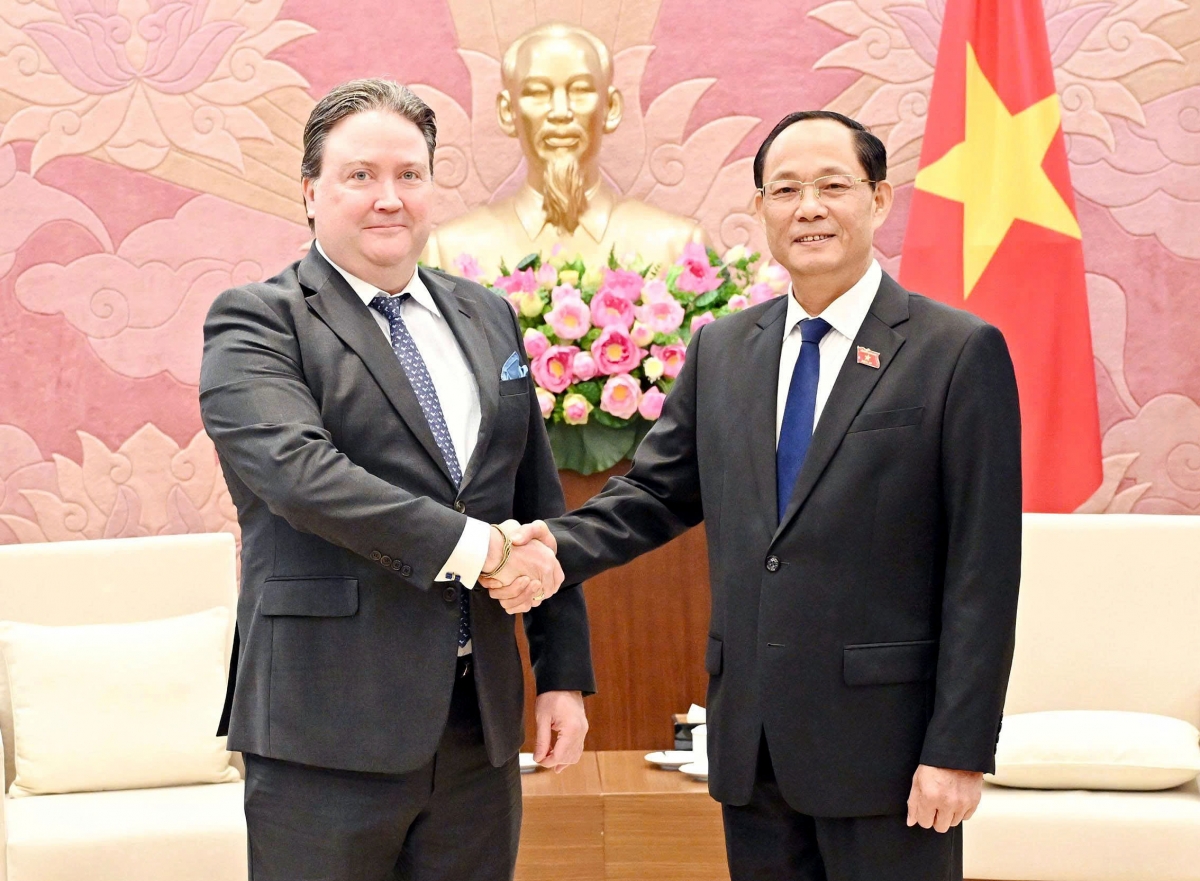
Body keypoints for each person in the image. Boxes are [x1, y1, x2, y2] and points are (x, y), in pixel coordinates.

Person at [497, 111, 1022, 880]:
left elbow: (984, 570)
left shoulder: (955, 351)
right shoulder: (723, 349)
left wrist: (959, 748)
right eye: (785, 190)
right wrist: (554, 545)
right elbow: (655, 494)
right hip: (755, 741)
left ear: (878, 200)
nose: (807, 207)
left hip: (891, 752)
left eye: (832, 185)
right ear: (761, 211)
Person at [199, 78, 592, 881]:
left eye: (410, 175)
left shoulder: (487, 315)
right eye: (360, 175)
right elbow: (303, 476)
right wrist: (480, 549)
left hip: (476, 726)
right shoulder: (256, 319)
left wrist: (562, 674)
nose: (389, 198)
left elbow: (535, 501)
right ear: (310, 192)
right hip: (325, 727)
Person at [424, 22, 707, 277]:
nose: (561, 112)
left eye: (580, 90)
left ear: (611, 108)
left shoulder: (679, 247)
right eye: (537, 92)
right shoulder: (447, 253)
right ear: (507, 112)